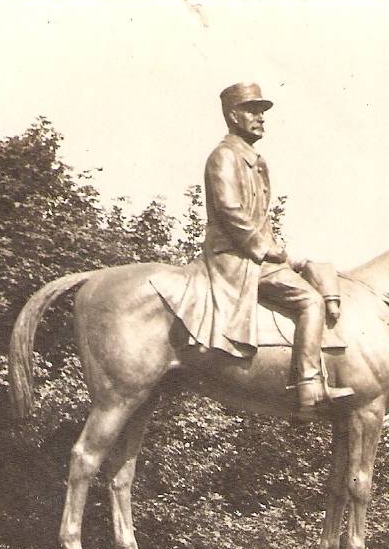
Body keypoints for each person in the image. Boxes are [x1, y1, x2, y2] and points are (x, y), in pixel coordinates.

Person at [151, 82, 355, 412]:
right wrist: (267, 250)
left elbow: (261, 219)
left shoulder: (255, 162)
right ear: (233, 116)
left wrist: (284, 254)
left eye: (262, 112)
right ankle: (309, 385)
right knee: (311, 300)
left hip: (254, 256)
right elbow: (230, 211)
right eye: (252, 110)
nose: (261, 118)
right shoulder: (224, 157)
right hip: (235, 258)